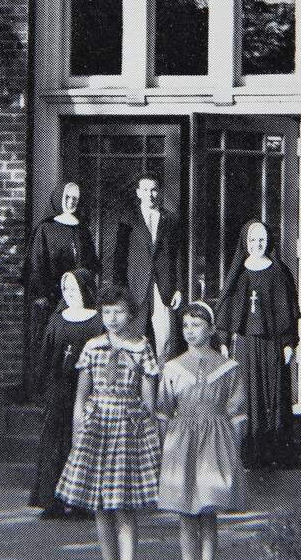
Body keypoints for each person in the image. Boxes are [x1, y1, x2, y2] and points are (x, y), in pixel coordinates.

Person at [55, 284, 161, 560]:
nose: (113, 318)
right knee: (101, 506)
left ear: (131, 315)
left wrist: (148, 435)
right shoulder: (93, 347)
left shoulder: (141, 348)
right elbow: (81, 396)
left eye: (119, 312)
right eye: (107, 312)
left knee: (124, 507)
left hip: (127, 429)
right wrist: (78, 433)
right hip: (97, 428)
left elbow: (149, 401)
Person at [157, 301, 248, 560]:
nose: (189, 331)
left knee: (208, 511)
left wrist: (232, 449)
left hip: (214, 441)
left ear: (210, 329)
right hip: (182, 441)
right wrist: (166, 446)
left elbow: (237, 412)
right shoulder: (173, 368)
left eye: (196, 325)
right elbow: (164, 410)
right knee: (185, 513)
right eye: (185, 326)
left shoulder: (227, 368)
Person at [214, 221, 300, 471]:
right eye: (252, 240)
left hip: (272, 342)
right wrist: (223, 341)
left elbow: (287, 312)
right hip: (245, 344)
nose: (257, 245)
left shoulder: (278, 272)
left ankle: (274, 452)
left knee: (273, 393)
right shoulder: (239, 273)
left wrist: (288, 343)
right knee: (247, 394)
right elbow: (227, 307)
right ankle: (248, 453)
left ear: (268, 241)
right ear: (245, 243)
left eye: (261, 240)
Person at [28, 269, 103, 520]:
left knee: (84, 443)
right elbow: (46, 355)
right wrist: (44, 385)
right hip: (59, 391)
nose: (70, 294)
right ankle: (53, 501)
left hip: (88, 391)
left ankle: (84, 502)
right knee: (54, 445)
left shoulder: (98, 321)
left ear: (85, 290)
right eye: (66, 289)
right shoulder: (57, 320)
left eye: (75, 289)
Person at [22, 181, 98, 392]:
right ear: (58, 199)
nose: (71, 202)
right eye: (67, 197)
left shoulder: (82, 229)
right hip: (52, 296)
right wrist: (41, 294)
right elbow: (36, 264)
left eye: (75, 198)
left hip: (78, 296)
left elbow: (91, 264)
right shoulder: (45, 229)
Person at [111, 174, 182, 368]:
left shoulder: (170, 219)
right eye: (145, 190)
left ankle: (162, 383)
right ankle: (134, 380)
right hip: (135, 286)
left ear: (159, 192)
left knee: (165, 336)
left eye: (154, 190)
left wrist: (178, 288)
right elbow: (119, 256)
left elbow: (177, 256)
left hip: (162, 286)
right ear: (138, 193)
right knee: (134, 335)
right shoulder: (128, 219)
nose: (150, 194)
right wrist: (119, 290)